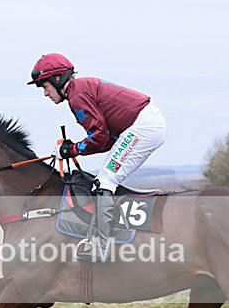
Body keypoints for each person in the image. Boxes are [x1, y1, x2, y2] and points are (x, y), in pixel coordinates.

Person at [28, 53, 167, 262]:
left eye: (44, 86)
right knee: (106, 177)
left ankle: (102, 246)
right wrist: (73, 149)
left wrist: (72, 149)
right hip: (144, 124)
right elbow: (105, 140)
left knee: (106, 180)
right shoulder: (80, 90)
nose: (45, 93)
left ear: (57, 79)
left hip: (143, 126)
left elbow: (99, 137)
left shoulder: (76, 96)